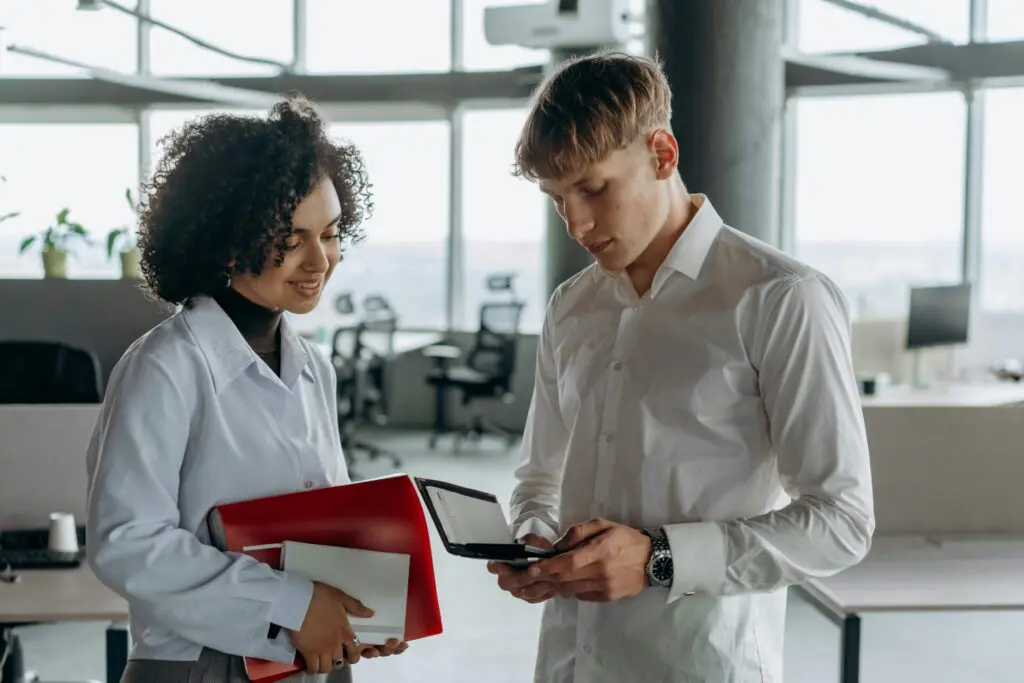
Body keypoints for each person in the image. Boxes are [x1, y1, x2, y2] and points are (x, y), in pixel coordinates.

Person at [487, 52, 874, 682]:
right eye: (558, 199)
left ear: (662, 154)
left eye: (593, 188)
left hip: (700, 665)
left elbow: (841, 520)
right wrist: (532, 540)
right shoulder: (571, 305)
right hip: (569, 662)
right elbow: (539, 477)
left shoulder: (780, 297)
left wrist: (657, 559)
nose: (576, 223)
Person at [86, 96, 409, 682]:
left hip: (310, 660)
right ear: (227, 240)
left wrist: (358, 610)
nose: (320, 260)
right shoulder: (165, 366)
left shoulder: (312, 366)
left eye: (332, 234)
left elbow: (320, 520)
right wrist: (293, 605)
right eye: (291, 237)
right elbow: (127, 543)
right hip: (202, 665)